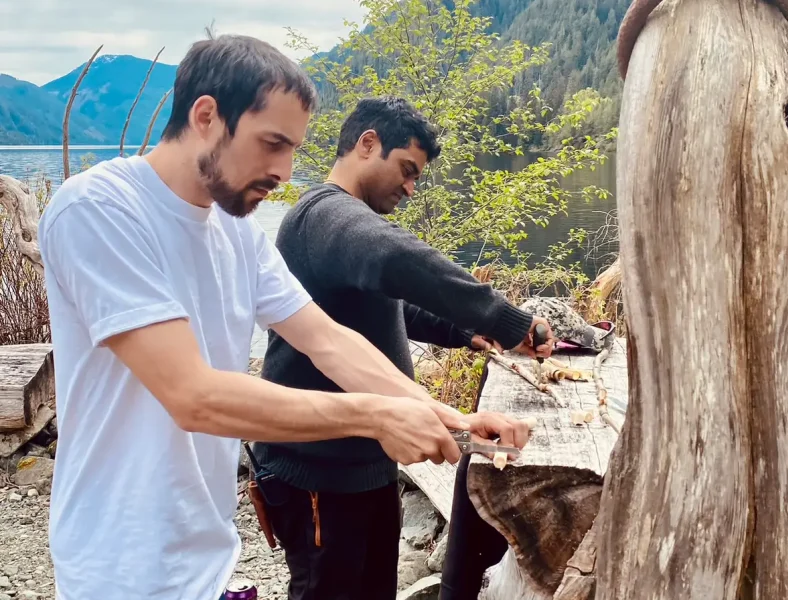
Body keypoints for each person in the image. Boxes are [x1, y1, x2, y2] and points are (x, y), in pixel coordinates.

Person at [37, 35, 528, 600]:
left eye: (293, 149)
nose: (285, 172)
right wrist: (376, 416)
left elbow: (328, 341)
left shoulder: (236, 231)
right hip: (121, 567)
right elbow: (193, 396)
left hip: (209, 554)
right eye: (272, 143)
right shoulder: (99, 209)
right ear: (206, 116)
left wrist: (447, 416)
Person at [251, 96, 555, 600]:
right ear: (368, 144)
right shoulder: (322, 215)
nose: (411, 188)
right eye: (407, 170)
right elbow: (395, 258)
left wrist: (466, 332)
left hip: (368, 461)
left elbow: (393, 307)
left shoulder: (342, 225)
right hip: (319, 474)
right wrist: (503, 318)